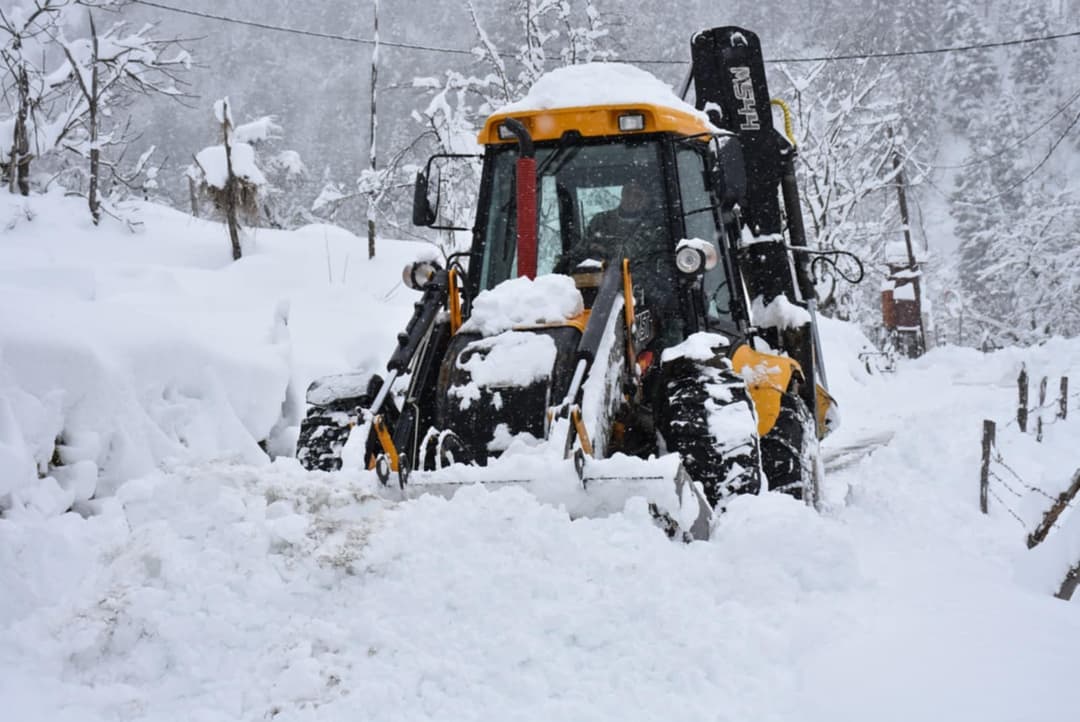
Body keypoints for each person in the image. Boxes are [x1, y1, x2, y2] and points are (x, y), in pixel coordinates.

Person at [558, 176, 682, 345]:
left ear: (646, 200)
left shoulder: (652, 227)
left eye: (638, 195)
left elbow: (625, 254)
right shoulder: (600, 221)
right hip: (597, 291)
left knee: (671, 316)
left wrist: (601, 249)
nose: (632, 199)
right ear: (622, 195)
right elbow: (581, 252)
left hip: (641, 294)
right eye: (628, 193)